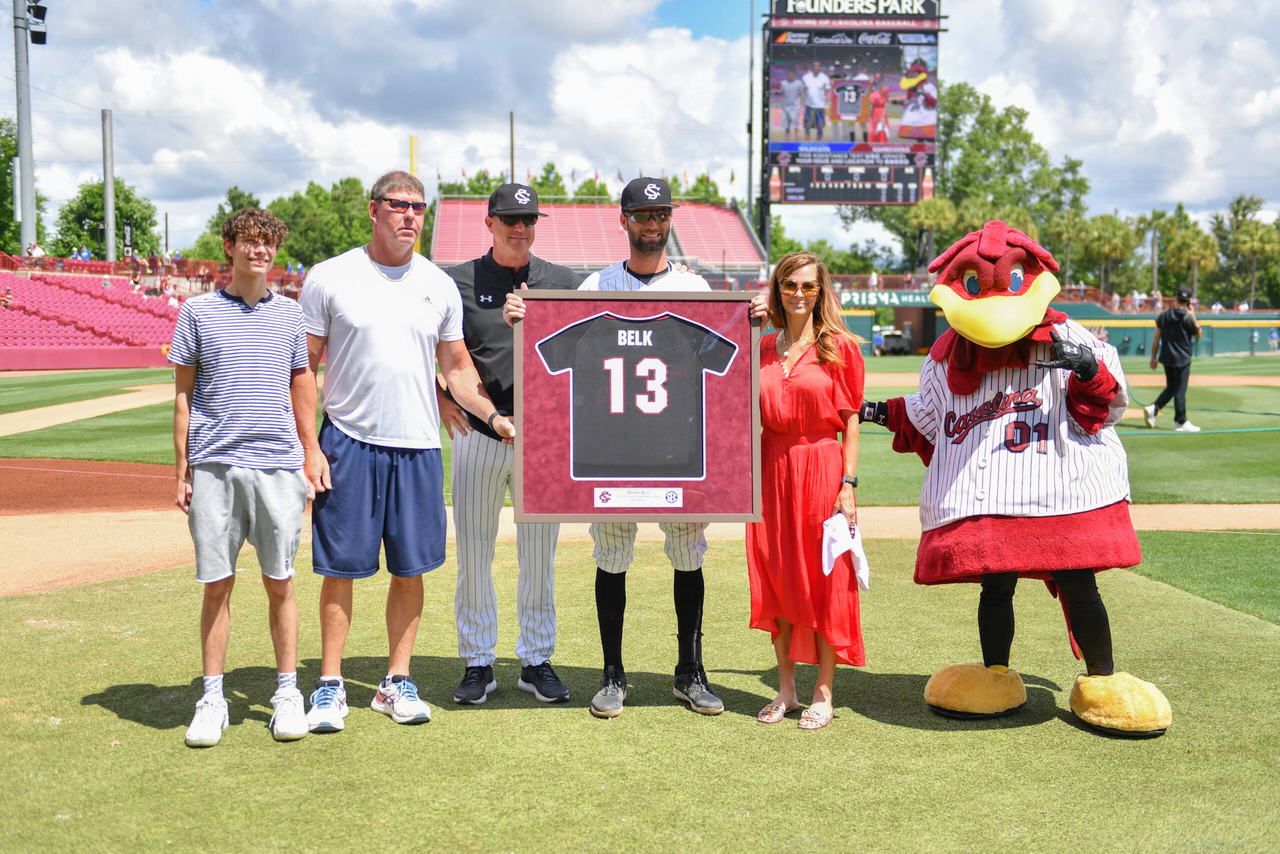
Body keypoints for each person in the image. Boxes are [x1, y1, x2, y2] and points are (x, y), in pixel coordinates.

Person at [504, 177, 748, 719]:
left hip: (676, 450)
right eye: (642, 214)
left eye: (661, 214)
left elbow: (726, 365)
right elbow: (551, 352)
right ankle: (613, 673)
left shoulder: (695, 292)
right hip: (609, 450)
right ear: (623, 219)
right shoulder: (597, 286)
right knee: (611, 557)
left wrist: (748, 318)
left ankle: (690, 670)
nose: (652, 223)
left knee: (689, 557)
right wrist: (524, 320)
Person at [299, 171, 515, 733]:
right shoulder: (330, 277)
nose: (409, 216)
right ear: (373, 210)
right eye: (398, 205)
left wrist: (490, 415)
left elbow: (458, 368)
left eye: (419, 207)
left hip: (417, 445)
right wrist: (306, 446)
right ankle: (329, 685)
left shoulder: (438, 285)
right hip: (347, 439)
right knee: (340, 568)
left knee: (411, 568)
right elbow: (305, 366)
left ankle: (396, 681)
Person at [169, 208, 322, 748]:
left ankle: (286, 692)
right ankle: (212, 697)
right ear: (229, 247)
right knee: (217, 583)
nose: (259, 252)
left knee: (280, 582)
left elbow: (302, 384)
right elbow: (185, 395)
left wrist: (312, 450)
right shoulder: (196, 312)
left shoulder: (290, 315)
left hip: (278, 465)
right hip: (215, 464)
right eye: (249, 243)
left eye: (268, 244)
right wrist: (182, 466)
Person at [439, 184, 581, 705]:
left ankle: (536, 659)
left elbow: (586, 352)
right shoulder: (456, 281)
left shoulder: (563, 282)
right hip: (480, 433)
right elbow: (427, 347)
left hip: (542, 439)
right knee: (474, 550)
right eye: (509, 219)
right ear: (489, 222)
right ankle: (478, 660)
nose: (520, 228)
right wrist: (439, 395)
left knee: (538, 554)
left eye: (528, 219)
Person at [748, 252, 866, 730]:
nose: (799, 294)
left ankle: (823, 693)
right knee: (776, 574)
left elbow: (851, 423)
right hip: (771, 468)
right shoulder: (760, 347)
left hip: (822, 466)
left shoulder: (840, 347)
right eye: (790, 285)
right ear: (777, 289)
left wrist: (848, 485)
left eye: (809, 287)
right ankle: (786, 691)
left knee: (823, 579)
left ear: (822, 292)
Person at [1144, 285, 1202, 433]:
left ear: (1176, 298)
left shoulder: (1164, 315)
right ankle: (1180, 421)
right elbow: (1198, 333)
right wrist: (1193, 315)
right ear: (1188, 301)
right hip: (1182, 359)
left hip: (1167, 357)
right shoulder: (1187, 317)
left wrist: (1153, 357)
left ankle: (1154, 409)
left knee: (1172, 388)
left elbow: (1156, 337)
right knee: (1180, 390)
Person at [801, 61, 831, 142]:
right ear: (812, 67)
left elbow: (827, 91)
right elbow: (803, 90)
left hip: (820, 106)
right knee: (807, 127)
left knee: (820, 127)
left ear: (820, 67)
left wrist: (823, 100)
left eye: (817, 66)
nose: (816, 67)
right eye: (814, 65)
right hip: (809, 105)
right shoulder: (806, 77)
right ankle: (807, 145)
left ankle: (818, 144)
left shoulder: (825, 78)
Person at [779, 66, 805, 142]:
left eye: (792, 72)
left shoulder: (799, 83)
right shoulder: (783, 83)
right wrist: (782, 106)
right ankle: (787, 145)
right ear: (787, 73)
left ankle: (797, 144)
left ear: (794, 73)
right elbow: (782, 95)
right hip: (785, 108)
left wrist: (800, 108)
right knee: (786, 129)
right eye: (789, 72)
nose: (790, 74)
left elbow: (801, 95)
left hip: (794, 108)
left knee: (796, 128)